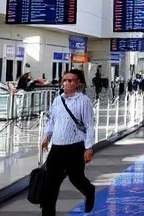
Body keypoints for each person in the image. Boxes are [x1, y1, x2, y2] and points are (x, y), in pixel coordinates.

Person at [41, 69, 96, 215]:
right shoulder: (57, 100)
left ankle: (89, 190)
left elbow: (89, 125)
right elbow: (52, 120)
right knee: (50, 185)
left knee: (76, 178)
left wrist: (88, 147)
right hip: (57, 147)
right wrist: (46, 136)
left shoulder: (83, 101)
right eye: (64, 80)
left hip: (75, 148)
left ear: (78, 83)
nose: (66, 83)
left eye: (70, 80)